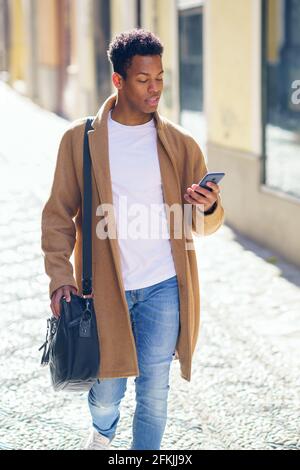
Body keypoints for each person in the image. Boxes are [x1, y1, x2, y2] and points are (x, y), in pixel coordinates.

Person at [41, 28, 225, 450]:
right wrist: (59, 276)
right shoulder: (80, 140)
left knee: (154, 394)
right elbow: (57, 215)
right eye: (144, 79)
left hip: (163, 287)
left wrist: (209, 205)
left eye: (160, 77)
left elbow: (204, 224)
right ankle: (102, 433)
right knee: (107, 396)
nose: (155, 88)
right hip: (104, 290)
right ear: (119, 81)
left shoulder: (180, 144)